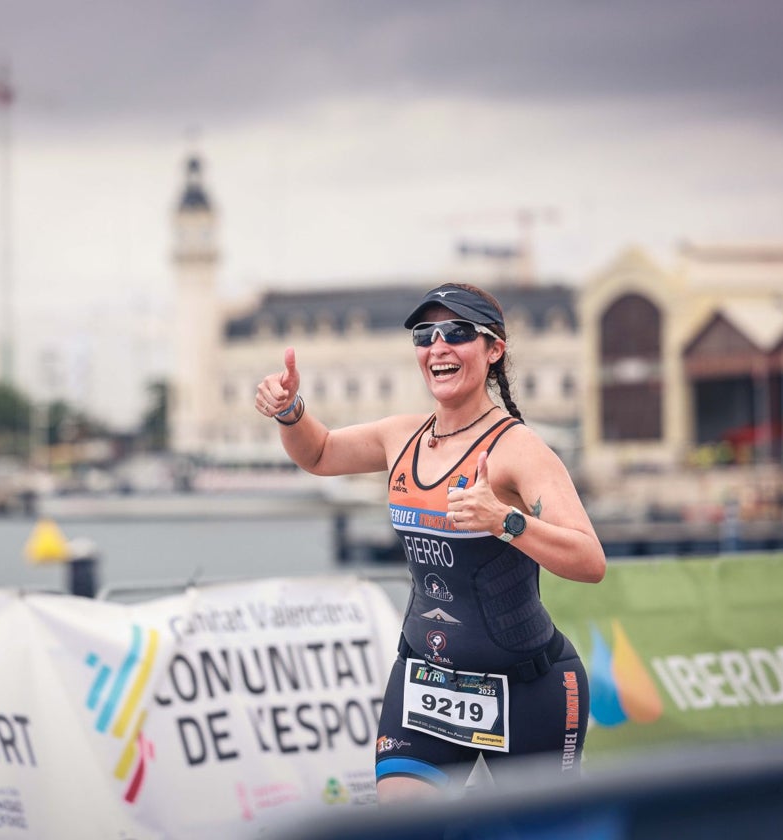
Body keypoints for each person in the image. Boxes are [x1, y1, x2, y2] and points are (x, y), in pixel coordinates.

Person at [254, 282, 606, 801]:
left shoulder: (519, 449)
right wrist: (291, 410)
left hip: (527, 686)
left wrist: (504, 521)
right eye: (425, 335)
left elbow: (589, 560)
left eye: (458, 332)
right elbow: (321, 454)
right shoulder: (403, 435)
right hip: (426, 681)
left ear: (494, 350)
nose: (438, 346)